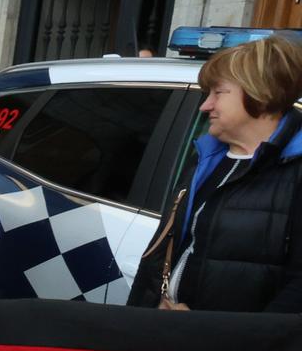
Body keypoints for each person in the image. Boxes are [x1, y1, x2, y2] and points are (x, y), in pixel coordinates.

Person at [129, 33, 302, 311]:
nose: (205, 105)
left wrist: (210, 330)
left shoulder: (295, 172)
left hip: (222, 339)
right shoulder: (205, 158)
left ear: (260, 93)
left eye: (218, 93)